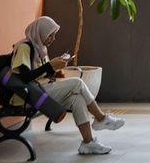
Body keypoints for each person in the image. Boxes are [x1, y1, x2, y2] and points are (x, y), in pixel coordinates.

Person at [10, 16, 125, 155]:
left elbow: (42, 74)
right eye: (50, 35)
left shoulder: (40, 48)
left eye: (54, 35)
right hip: (28, 95)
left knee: (77, 99)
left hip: (40, 90)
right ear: (39, 33)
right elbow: (24, 77)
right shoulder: (24, 47)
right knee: (77, 83)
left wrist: (55, 69)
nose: (53, 38)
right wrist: (50, 65)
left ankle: (88, 143)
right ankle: (101, 118)